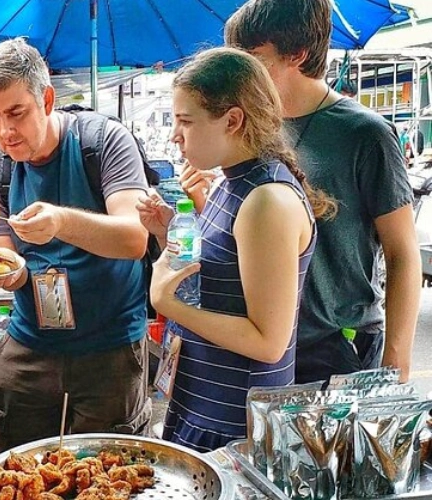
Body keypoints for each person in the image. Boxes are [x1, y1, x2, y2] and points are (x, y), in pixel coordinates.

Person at [139, 47, 332, 452]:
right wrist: (167, 234)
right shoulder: (231, 182)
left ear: (233, 120)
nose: (175, 134)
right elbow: (226, 281)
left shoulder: (267, 200)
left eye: (185, 122)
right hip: (202, 406)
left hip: (236, 429)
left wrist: (167, 303)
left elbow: (268, 341)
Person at [0, 37, 152, 452]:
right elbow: (4, 258)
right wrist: (10, 270)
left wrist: (61, 222)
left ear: (47, 99)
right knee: (21, 467)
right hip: (30, 343)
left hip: (110, 347)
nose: (6, 132)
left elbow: (134, 238)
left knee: (107, 472)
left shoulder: (103, 142)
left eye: (16, 113)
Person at [225, 0, 420, 383]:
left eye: (253, 57)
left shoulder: (365, 134)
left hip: (337, 346)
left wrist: (396, 361)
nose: (241, 72)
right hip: (261, 342)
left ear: (297, 54)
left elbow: (403, 253)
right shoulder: (251, 129)